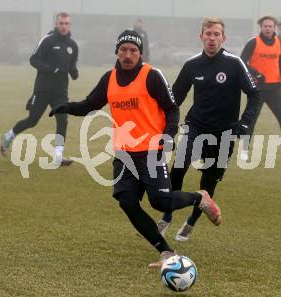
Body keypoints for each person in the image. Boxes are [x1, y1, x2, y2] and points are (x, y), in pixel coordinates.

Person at [49, 30, 222, 268]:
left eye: (133, 50)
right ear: (117, 52)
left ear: (140, 53)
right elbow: (90, 104)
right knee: (127, 202)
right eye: (124, 50)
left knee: (161, 202)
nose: (128, 55)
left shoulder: (151, 75)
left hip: (151, 150)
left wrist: (167, 136)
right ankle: (166, 252)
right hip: (124, 153)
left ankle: (199, 198)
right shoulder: (109, 79)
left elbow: (172, 109)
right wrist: (66, 107)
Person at [157, 17, 262, 241]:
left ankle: (191, 222)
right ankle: (167, 215)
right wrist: (165, 125)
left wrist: (244, 124)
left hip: (224, 132)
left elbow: (255, 94)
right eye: (208, 34)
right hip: (195, 126)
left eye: (216, 34)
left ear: (223, 38)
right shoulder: (192, 65)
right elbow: (174, 98)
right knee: (177, 170)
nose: (212, 38)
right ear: (201, 36)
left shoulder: (234, 63)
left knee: (209, 181)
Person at [0, 12, 79, 166]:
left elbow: (71, 64)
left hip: (60, 91)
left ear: (70, 25)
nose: (63, 26)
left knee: (62, 120)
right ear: (56, 24)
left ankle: (58, 156)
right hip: (43, 89)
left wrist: (74, 72)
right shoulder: (47, 40)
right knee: (32, 120)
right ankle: (8, 136)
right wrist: (51, 69)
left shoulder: (73, 46)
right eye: (61, 23)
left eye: (66, 23)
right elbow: (33, 59)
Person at [240, 15, 281, 156]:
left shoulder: (279, 43)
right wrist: (255, 74)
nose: (268, 28)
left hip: (275, 88)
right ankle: (244, 150)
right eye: (265, 26)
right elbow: (242, 62)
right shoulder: (253, 42)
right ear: (261, 27)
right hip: (257, 89)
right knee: (252, 119)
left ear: (274, 28)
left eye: (270, 26)